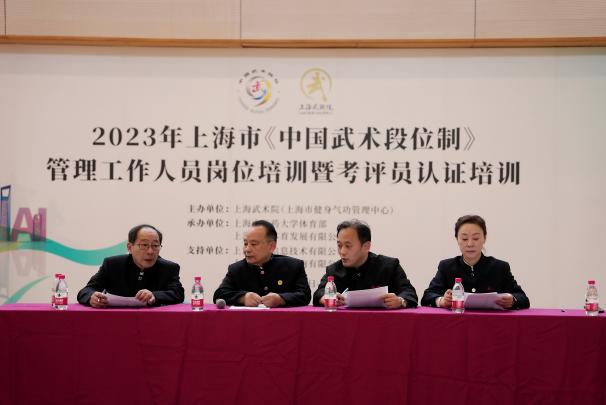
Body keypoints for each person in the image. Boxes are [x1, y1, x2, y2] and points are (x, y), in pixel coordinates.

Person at [421, 214, 530, 309]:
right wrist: (442, 301)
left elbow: (522, 298)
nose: (470, 244)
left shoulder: (500, 267)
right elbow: (427, 296)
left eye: (476, 238)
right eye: (464, 239)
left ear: (484, 238)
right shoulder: (447, 267)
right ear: (457, 239)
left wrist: (512, 300)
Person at [313, 219, 418, 309]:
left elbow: (409, 292)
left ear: (366, 246)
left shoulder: (389, 266)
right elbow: (319, 292)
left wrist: (400, 301)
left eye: (348, 246)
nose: (342, 252)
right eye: (339, 245)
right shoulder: (334, 270)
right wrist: (326, 297)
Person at [77, 224, 184, 308]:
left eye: (155, 245)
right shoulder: (113, 265)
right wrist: (91, 297)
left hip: (153, 321)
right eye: (144, 245)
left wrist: (154, 295)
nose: (150, 251)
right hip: (115, 320)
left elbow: (178, 293)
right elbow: (87, 290)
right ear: (129, 247)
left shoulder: (168, 268)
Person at [213, 220, 311, 307]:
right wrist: (243, 297)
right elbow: (219, 294)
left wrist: (281, 299)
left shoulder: (293, 266)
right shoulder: (236, 269)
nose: (247, 249)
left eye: (253, 244)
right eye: (245, 243)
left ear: (271, 246)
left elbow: (305, 295)